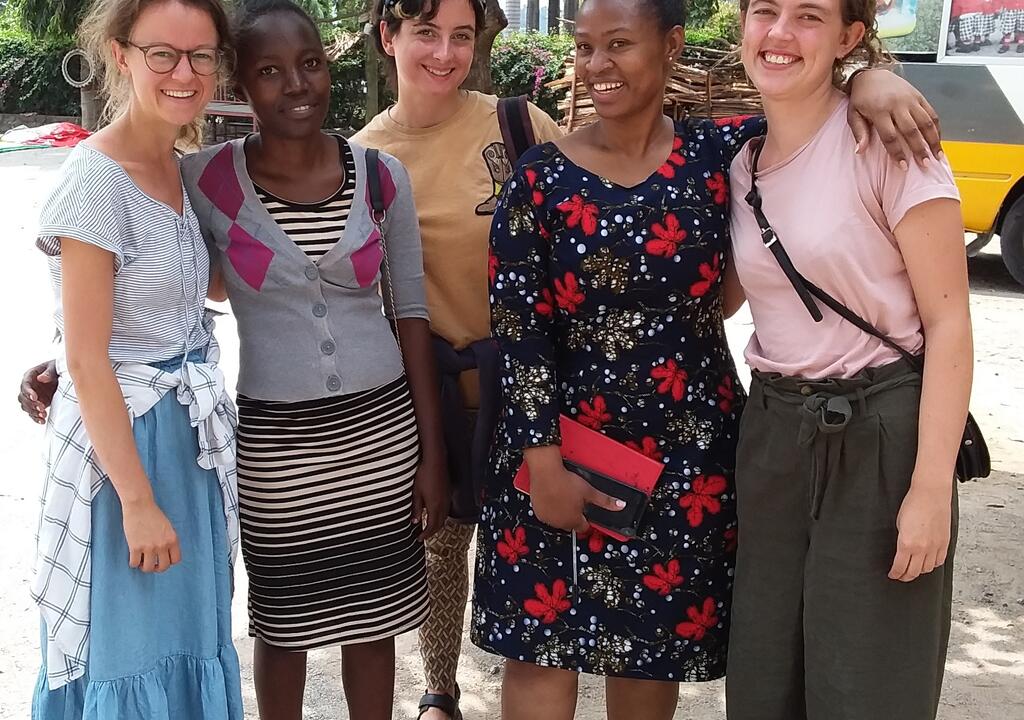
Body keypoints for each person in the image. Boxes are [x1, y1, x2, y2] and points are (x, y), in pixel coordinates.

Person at [471, 0, 948, 719]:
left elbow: (810, 105)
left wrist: (871, 78)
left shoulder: (719, 155)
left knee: (649, 654)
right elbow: (519, 332)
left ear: (671, 47)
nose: (598, 65)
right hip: (559, 453)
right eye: (586, 46)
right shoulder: (538, 179)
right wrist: (542, 464)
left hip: (684, 455)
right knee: (543, 650)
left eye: (621, 44)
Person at [25, 1, 448, 718]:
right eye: (270, 71)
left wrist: (433, 455)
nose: (296, 84)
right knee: (262, 628)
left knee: (350, 627)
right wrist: (71, 367)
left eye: (310, 63)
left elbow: (408, 314)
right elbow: (109, 308)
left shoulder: (366, 178)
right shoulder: (177, 178)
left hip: (326, 442)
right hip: (243, 449)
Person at [723, 0, 972, 717]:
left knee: (870, 679)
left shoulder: (890, 143)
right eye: (764, 10)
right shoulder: (739, 163)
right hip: (773, 433)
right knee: (766, 672)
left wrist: (928, 491)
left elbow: (951, 323)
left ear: (848, 36)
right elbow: (726, 301)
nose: (778, 33)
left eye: (808, 16)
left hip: (880, 434)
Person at [29, 1, 243, 718]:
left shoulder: (180, 170)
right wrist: (139, 501)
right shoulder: (96, 180)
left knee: (182, 640)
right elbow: (89, 361)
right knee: (131, 653)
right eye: (163, 54)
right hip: (126, 456)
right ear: (121, 55)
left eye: (201, 55)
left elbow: (203, 291)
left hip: (187, 439)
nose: (185, 73)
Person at [354, 1, 563, 717]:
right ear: (389, 37)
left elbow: (592, 206)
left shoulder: (518, 125)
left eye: (461, 36)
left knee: (533, 543)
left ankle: (531, 679)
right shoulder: (365, 160)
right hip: (435, 395)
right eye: (425, 33)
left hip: (533, 391)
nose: (445, 54)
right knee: (442, 547)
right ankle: (439, 691)